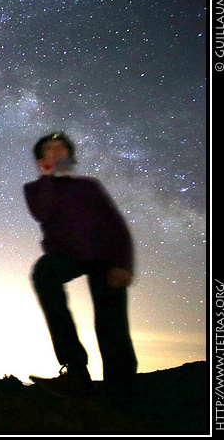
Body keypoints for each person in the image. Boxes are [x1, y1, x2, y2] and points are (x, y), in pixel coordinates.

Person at [23, 132, 138, 404]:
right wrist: (48, 177)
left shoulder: (90, 186)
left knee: (111, 325)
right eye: (49, 149)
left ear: (69, 155)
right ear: (41, 160)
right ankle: (76, 370)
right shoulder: (36, 188)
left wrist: (123, 263)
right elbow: (43, 212)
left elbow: (116, 224)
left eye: (61, 147)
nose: (56, 151)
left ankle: (121, 394)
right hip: (65, 255)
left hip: (104, 257)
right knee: (44, 274)